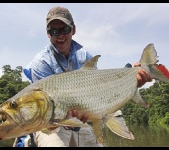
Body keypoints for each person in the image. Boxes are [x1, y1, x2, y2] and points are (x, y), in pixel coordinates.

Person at [16, 6, 152, 147]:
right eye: (54, 31)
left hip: (82, 122)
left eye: (65, 30)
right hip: (51, 128)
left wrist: (131, 80)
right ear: (48, 34)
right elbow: (45, 119)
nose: (60, 35)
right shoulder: (41, 62)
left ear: (73, 30)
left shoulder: (84, 55)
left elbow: (99, 92)